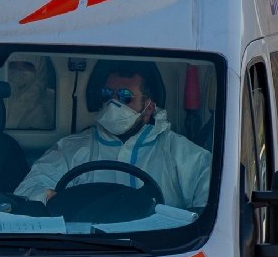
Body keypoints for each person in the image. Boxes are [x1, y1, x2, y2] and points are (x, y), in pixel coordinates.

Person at [13, 63, 209, 211]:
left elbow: (211, 204)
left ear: (148, 107)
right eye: (107, 94)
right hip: (81, 252)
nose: (113, 103)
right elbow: (26, 191)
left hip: (158, 254)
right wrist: (52, 198)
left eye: (125, 97)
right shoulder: (70, 148)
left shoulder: (179, 152)